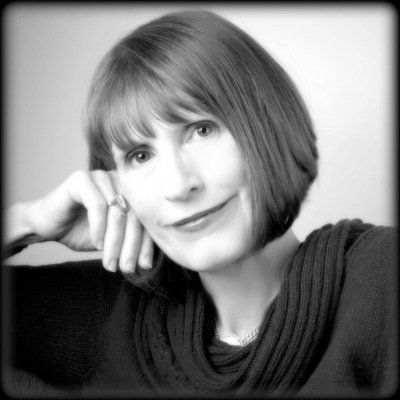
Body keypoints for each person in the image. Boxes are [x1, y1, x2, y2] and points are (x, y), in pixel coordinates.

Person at [3, 9, 396, 397]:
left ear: (268, 124)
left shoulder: (381, 280)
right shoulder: (115, 314)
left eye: (202, 130)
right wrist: (27, 222)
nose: (178, 185)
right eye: (140, 155)